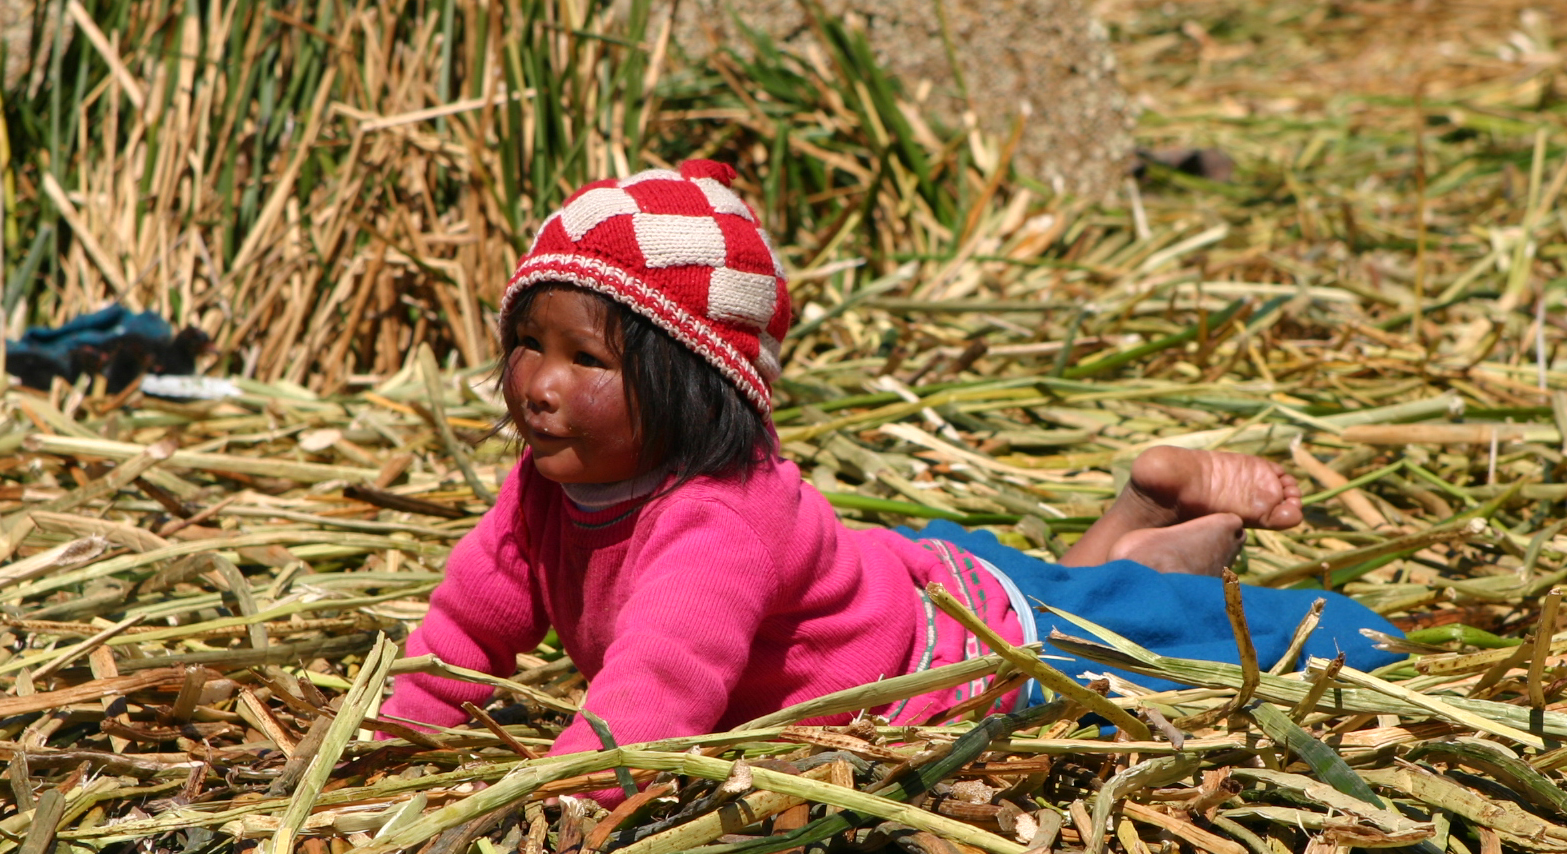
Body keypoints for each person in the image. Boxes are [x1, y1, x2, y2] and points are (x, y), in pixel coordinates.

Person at [381, 160, 1401, 775]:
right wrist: (389, 748)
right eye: (528, 341)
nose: (537, 383)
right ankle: (1152, 515)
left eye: (586, 359)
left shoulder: (713, 522)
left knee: (1121, 627)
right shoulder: (545, 490)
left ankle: (1167, 549)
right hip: (894, 574)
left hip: (945, 649)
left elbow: (657, 687)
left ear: (689, 386)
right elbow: (468, 624)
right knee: (1065, 584)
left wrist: (564, 799)